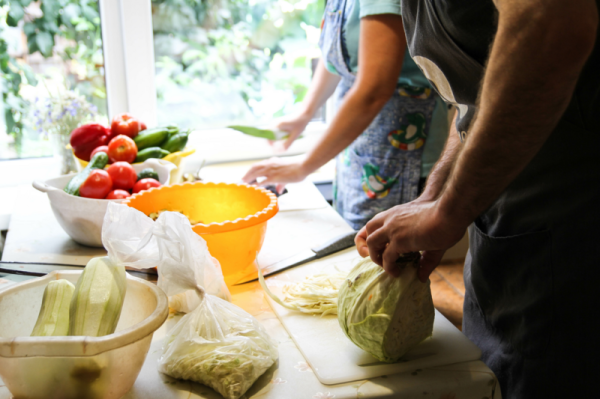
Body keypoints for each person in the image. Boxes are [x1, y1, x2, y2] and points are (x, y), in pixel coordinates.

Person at [356, 0, 600, 397]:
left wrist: (447, 213)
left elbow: (551, 24)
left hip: (576, 229)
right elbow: (475, 98)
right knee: (490, 376)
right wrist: (434, 197)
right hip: (507, 224)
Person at [242, 0, 449, 230]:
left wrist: (303, 166)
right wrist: (306, 112)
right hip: (358, 142)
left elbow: (374, 89)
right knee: (356, 243)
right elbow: (344, 49)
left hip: (399, 151)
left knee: (381, 254)